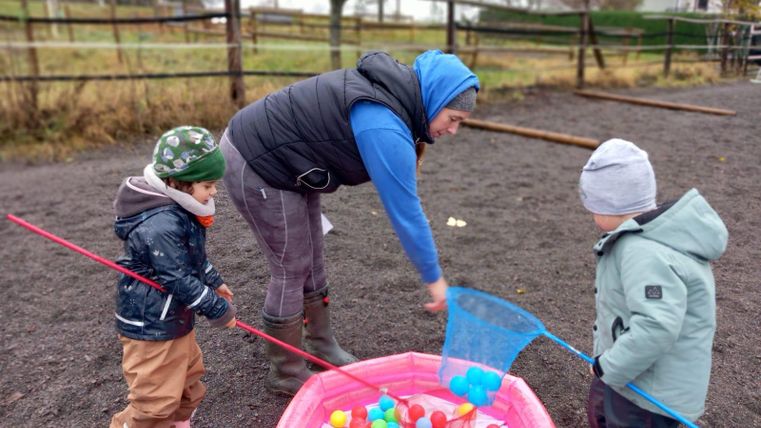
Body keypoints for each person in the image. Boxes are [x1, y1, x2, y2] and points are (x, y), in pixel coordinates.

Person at [219, 50, 479, 395]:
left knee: (313, 257)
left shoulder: (399, 104)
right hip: (256, 161)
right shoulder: (383, 123)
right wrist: (435, 279)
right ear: (435, 100)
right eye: (454, 118)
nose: (454, 130)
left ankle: (319, 344)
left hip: (296, 166)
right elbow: (406, 214)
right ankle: (287, 371)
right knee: (291, 266)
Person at [578, 138, 728, 427]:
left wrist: (608, 367)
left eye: (592, 206)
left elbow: (656, 327)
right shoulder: (650, 239)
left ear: (609, 205)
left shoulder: (644, 252)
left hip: (649, 396)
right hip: (633, 380)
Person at [110, 126, 237, 428]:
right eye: (208, 185)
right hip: (151, 325)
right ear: (178, 183)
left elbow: (193, 257)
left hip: (174, 318)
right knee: (154, 404)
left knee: (189, 383)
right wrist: (219, 310)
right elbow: (178, 277)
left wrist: (214, 279)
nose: (214, 192)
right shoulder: (160, 225)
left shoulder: (179, 211)